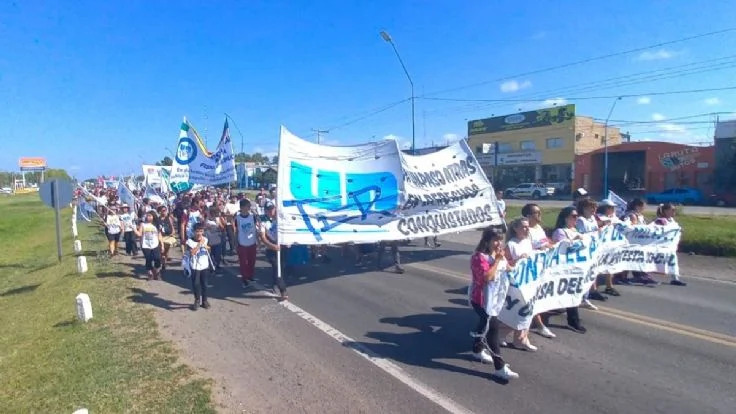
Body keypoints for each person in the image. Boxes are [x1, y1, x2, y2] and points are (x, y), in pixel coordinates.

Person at [469, 227, 519, 380]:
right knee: (493, 329)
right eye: (495, 240)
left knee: (484, 324)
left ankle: (477, 350)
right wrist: (497, 261)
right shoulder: (479, 257)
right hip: (482, 300)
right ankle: (499, 366)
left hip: (495, 299)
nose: (499, 243)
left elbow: (509, 269)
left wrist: (518, 261)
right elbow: (487, 278)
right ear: (487, 241)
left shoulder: (499, 255)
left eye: (500, 240)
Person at [521, 203, 556, 339]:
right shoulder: (525, 230)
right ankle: (540, 326)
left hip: (543, 266)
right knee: (531, 298)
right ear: (529, 216)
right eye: (537, 213)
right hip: (531, 268)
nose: (540, 215)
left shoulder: (539, 228)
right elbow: (526, 248)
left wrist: (554, 246)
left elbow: (545, 242)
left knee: (538, 297)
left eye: (540, 212)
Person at [550, 207, 588, 333]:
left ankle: (557, 308)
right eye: (573, 216)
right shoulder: (560, 231)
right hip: (564, 269)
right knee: (571, 293)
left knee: (569, 293)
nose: (576, 218)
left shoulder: (575, 230)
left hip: (575, 267)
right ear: (565, 218)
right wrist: (576, 240)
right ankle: (574, 322)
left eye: (577, 216)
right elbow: (562, 248)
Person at [504, 217, 537, 351]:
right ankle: (501, 335)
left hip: (528, 280)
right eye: (523, 226)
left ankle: (520, 339)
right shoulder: (511, 244)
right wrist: (518, 260)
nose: (526, 228)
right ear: (515, 229)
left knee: (527, 310)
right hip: (515, 283)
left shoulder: (528, 242)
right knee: (514, 311)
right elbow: (504, 264)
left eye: (527, 226)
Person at [575, 198, 602, 309]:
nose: (594, 210)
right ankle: (581, 297)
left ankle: (585, 297)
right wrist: (595, 233)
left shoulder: (592, 219)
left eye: (595, 207)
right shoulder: (581, 220)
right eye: (591, 207)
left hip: (593, 249)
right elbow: (582, 235)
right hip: (584, 251)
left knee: (591, 274)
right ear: (584, 208)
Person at [258, 203, 288, 301]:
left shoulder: (280, 217)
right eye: (268, 210)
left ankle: (275, 283)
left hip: (282, 245)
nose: (271, 212)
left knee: (281, 268)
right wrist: (272, 246)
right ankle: (283, 291)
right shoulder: (262, 220)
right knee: (276, 267)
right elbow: (262, 237)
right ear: (265, 211)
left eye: (272, 209)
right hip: (271, 246)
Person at [654, 203, 687, 287]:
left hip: (670, 246)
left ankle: (675, 278)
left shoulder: (671, 220)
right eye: (672, 210)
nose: (674, 211)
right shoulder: (660, 221)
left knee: (673, 260)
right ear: (665, 211)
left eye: (674, 210)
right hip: (661, 245)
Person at [596, 199, 622, 297]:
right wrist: (604, 223)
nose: (613, 209)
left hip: (610, 246)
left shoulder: (613, 217)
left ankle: (609, 286)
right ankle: (592, 289)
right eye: (610, 207)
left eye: (613, 207)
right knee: (596, 268)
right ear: (604, 208)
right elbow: (596, 227)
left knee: (609, 266)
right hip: (599, 246)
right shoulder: (598, 217)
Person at [186, 223, 212, 310]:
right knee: (196, 284)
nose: (199, 233)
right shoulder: (190, 241)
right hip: (195, 266)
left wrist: (207, 247)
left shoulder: (206, 239)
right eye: (197, 231)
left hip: (204, 265)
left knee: (205, 284)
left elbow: (209, 249)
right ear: (194, 232)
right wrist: (199, 244)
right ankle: (197, 300)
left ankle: (204, 301)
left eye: (201, 231)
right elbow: (192, 253)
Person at [235, 199, 259, 287]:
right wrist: (235, 242)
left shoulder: (252, 216)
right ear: (241, 207)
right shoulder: (237, 217)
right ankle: (244, 279)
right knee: (243, 262)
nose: (249, 208)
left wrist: (258, 241)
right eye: (247, 206)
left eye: (249, 206)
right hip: (242, 243)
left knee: (252, 261)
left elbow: (255, 229)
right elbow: (236, 231)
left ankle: (250, 276)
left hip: (252, 242)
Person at [135, 211, 164, 281]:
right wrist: (134, 229)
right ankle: (150, 274)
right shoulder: (143, 224)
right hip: (145, 245)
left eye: (150, 216)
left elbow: (159, 235)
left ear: (153, 216)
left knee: (157, 258)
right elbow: (139, 234)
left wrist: (162, 244)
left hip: (155, 244)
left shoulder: (156, 225)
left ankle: (157, 272)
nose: (148, 217)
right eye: (147, 216)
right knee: (148, 259)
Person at [206, 207, 226, 273]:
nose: (214, 215)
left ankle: (217, 265)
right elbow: (207, 228)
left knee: (217, 254)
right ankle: (212, 267)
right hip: (210, 239)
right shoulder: (207, 220)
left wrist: (219, 225)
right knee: (211, 254)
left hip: (217, 239)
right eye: (213, 213)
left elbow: (222, 228)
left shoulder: (217, 219)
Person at [157, 205, 176, 271]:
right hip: (161, 236)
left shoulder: (168, 218)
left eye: (165, 210)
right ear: (160, 211)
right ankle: (162, 263)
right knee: (161, 251)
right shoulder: (157, 219)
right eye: (163, 210)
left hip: (168, 236)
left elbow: (172, 226)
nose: (165, 212)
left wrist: (173, 232)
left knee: (166, 252)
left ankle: (164, 262)